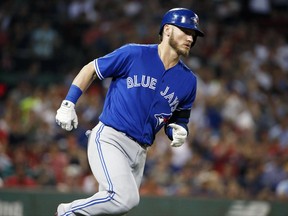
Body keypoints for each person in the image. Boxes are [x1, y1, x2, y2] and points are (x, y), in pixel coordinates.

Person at [55, 7, 204, 216]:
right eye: (186, 31)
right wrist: (68, 103)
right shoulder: (134, 54)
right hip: (111, 138)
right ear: (168, 30)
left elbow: (179, 119)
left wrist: (178, 130)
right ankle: (66, 212)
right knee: (124, 198)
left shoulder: (188, 80)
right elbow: (91, 69)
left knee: (112, 208)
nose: (191, 38)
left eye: (194, 34)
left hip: (140, 152)